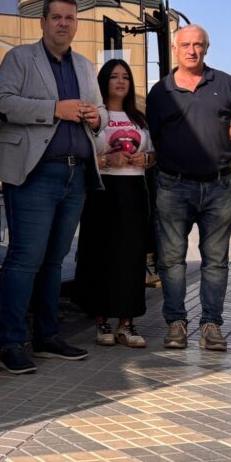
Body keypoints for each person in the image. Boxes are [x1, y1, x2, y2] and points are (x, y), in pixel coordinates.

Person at [0, 0, 104, 374]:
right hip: (34, 171)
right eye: (56, 18)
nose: (63, 24)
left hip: (77, 173)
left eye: (70, 19)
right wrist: (55, 109)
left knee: (54, 260)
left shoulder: (86, 67)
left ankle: (48, 336)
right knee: (26, 259)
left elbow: (101, 110)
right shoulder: (20, 58)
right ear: (43, 22)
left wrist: (94, 117)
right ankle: (11, 343)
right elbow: (1, 100)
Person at [145, 24, 231, 351]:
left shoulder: (226, 85)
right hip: (173, 187)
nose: (192, 51)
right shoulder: (160, 93)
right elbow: (153, 138)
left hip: (218, 187)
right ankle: (176, 323)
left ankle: (211, 324)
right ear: (175, 48)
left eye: (198, 45)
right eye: (186, 44)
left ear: (207, 48)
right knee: (171, 260)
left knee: (216, 261)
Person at [74, 58, 154, 348]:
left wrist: (143, 159)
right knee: (100, 255)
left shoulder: (139, 119)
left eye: (126, 77)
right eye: (114, 76)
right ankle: (101, 322)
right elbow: (82, 157)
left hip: (133, 191)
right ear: (104, 81)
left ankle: (127, 324)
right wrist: (108, 159)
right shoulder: (96, 116)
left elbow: (153, 155)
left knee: (131, 258)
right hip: (101, 190)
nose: (121, 81)